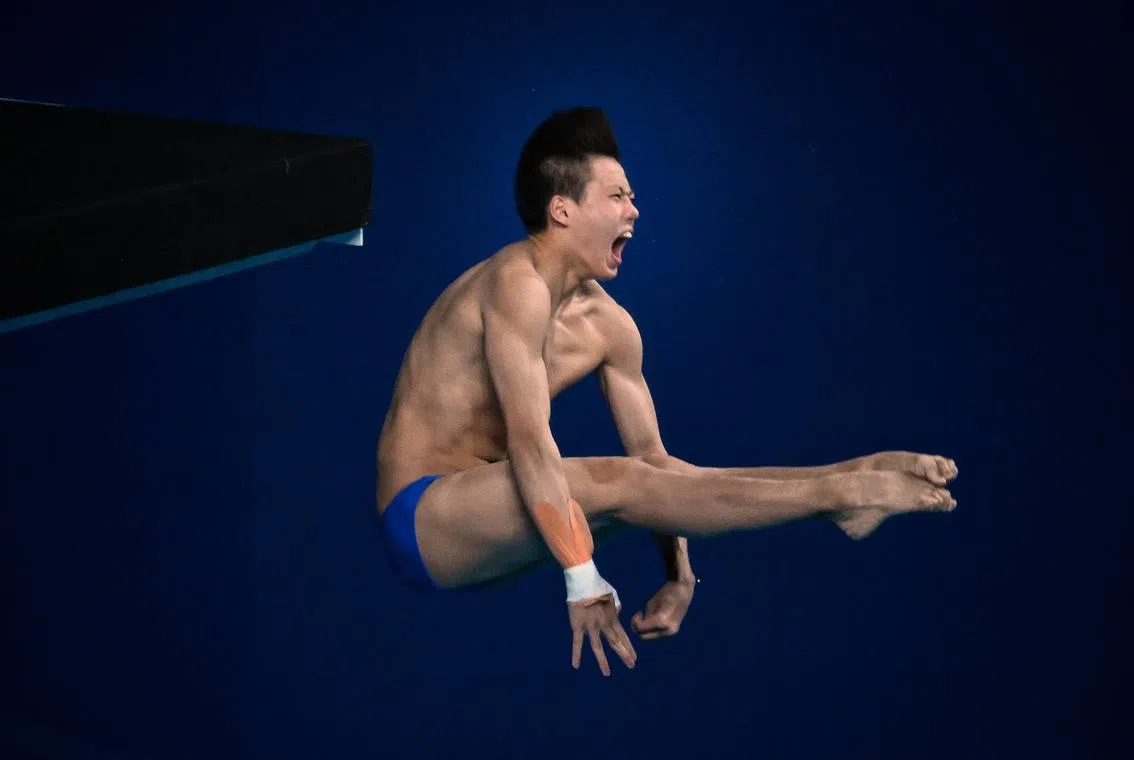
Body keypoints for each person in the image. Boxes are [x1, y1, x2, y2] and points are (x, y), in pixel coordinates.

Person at [375, 107, 958, 676]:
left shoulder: (611, 327)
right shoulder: (514, 285)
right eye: (617, 196)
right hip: (423, 514)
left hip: (497, 520)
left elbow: (657, 466)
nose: (634, 210)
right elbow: (530, 443)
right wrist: (581, 577)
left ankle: (844, 480)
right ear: (562, 210)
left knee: (648, 479)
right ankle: (839, 494)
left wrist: (680, 577)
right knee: (612, 481)